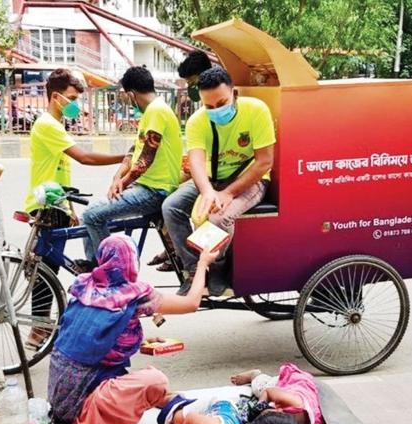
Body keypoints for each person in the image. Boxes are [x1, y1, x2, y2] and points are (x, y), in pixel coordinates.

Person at [47, 234, 219, 424]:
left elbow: (88, 340)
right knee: (156, 380)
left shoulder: (84, 286)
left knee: (150, 386)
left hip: (59, 402)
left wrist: (143, 342)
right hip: (85, 411)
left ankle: (162, 402)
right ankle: (162, 408)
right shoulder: (132, 295)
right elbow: (191, 303)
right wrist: (202, 264)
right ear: (131, 262)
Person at [24, 68, 129, 347]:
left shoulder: (55, 125)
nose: (75, 105)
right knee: (46, 268)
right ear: (55, 97)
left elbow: (60, 174)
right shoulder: (47, 124)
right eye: (71, 98)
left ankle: (43, 326)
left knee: (49, 266)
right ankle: (38, 328)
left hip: (56, 202)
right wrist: (125, 156)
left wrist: (69, 209)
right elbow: (84, 158)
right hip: (45, 204)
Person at [162, 67, 276, 296]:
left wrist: (229, 193)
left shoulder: (256, 111)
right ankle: (195, 270)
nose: (216, 110)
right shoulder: (197, 121)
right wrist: (207, 191)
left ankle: (218, 268)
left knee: (219, 219)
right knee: (171, 207)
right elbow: (195, 161)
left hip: (250, 180)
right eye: (209, 106)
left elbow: (264, 162)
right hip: (213, 180)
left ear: (235, 94)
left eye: (222, 103)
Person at [79, 66, 183, 269]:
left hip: (154, 190)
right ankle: (99, 265)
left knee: (92, 215)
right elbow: (135, 149)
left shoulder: (156, 111)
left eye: (125, 97)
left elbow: (146, 158)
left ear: (130, 94)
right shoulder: (153, 111)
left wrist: (124, 182)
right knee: (97, 212)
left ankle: (108, 271)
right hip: (146, 187)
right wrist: (118, 178)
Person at [149, 50, 214, 273]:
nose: (191, 89)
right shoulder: (201, 111)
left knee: (176, 203)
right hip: (203, 171)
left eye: (193, 83)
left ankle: (194, 265)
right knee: (165, 192)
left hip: (217, 176)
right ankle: (175, 249)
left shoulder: (220, 105)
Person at [230, 363, 324, 424]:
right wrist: (260, 405)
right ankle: (255, 375)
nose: (263, 411)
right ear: (279, 410)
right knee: (260, 389)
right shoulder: (296, 403)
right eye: (266, 411)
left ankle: (254, 377)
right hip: (294, 380)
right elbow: (269, 391)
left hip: (290, 394)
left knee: (259, 392)